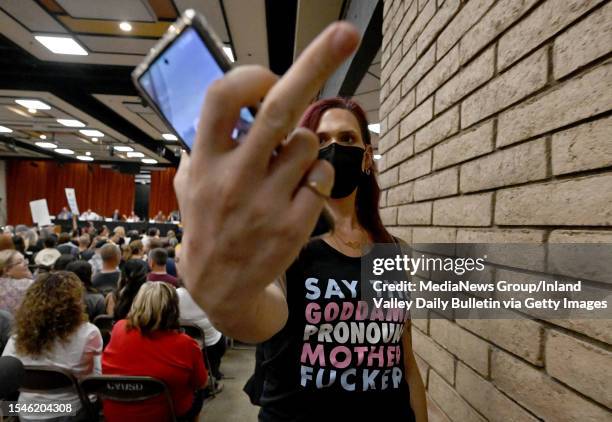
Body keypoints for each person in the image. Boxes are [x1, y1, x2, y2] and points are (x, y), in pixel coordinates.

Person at [173, 23, 426, 420]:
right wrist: (229, 301)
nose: (334, 149)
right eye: (321, 141)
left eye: (347, 140)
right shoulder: (287, 244)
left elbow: (404, 362)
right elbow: (262, 316)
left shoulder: (391, 251)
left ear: (365, 157)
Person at [1, 271, 102, 421]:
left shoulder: (17, 337)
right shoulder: (89, 333)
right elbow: (95, 380)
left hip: (25, 410)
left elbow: (7, 379)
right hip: (71, 410)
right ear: (75, 302)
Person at [102, 282, 207, 422]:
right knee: (199, 393)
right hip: (167, 416)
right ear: (173, 308)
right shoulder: (186, 344)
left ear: (137, 303)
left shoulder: (119, 328)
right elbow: (201, 383)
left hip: (116, 415)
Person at [177, 287, 225, 380]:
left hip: (184, 341)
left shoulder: (174, 294)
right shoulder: (209, 293)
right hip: (211, 343)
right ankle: (214, 372)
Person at [0, 250, 33, 314]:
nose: (26, 263)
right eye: (20, 262)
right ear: (7, 270)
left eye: (25, 260)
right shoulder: (27, 284)